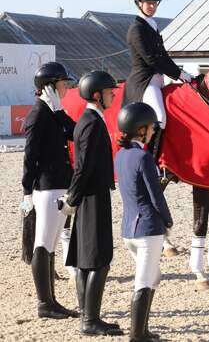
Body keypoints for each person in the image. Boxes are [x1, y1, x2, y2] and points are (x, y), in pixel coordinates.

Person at [58, 70, 123, 336]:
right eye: (109, 93)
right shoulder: (92, 123)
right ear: (97, 95)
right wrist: (72, 198)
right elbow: (83, 167)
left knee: (87, 258)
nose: (112, 97)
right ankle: (90, 320)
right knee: (99, 259)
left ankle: (88, 316)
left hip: (91, 193)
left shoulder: (91, 119)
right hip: (92, 196)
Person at [22, 62, 79, 319]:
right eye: (63, 83)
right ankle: (44, 304)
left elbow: (74, 133)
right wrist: (26, 189)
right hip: (46, 188)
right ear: (50, 86)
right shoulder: (38, 114)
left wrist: (59, 111)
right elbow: (29, 156)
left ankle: (52, 300)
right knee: (43, 244)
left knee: (51, 245)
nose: (66, 86)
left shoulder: (52, 112)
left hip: (58, 184)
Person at [115, 102, 173, 342]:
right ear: (140, 130)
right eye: (150, 127)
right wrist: (168, 221)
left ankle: (143, 330)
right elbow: (156, 196)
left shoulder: (121, 155)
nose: (153, 131)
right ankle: (137, 334)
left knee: (152, 277)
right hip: (148, 229)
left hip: (128, 228)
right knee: (144, 281)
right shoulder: (144, 157)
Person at [123, 0, 194, 159]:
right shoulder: (137, 29)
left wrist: (182, 74)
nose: (152, 6)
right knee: (160, 117)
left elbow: (164, 56)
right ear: (139, 3)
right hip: (144, 82)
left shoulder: (152, 25)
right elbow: (152, 59)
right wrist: (178, 74)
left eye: (155, 3)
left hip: (157, 79)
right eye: (148, 3)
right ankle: (151, 159)